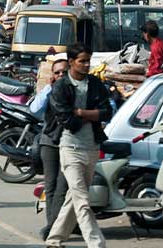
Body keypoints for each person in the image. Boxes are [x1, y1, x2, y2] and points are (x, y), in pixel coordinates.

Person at [45, 43, 111, 248]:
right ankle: (96, 243)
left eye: (88, 61)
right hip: (70, 148)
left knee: (74, 198)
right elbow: (67, 121)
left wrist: (81, 112)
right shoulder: (61, 87)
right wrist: (93, 115)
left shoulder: (95, 84)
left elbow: (106, 112)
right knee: (82, 200)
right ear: (72, 62)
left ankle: (54, 239)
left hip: (91, 148)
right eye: (82, 61)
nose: (86, 65)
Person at [30, 60, 70, 240]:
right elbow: (35, 109)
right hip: (49, 143)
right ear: (53, 75)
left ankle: (53, 226)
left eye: (64, 72)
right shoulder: (49, 91)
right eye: (57, 73)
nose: (61, 76)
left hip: (70, 144)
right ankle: (52, 226)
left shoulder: (75, 90)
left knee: (63, 187)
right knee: (51, 187)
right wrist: (48, 89)